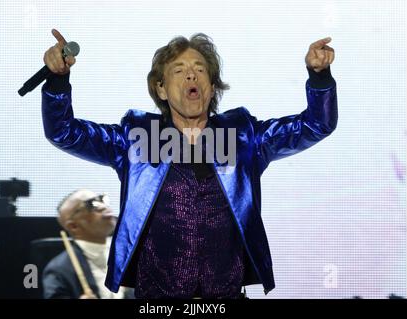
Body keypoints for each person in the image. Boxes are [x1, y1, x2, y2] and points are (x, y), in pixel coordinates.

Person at [41, 29, 337, 298]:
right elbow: (63, 132)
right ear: (161, 89)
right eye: (179, 71)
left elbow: (315, 125)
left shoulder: (245, 136)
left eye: (200, 70)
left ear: (212, 86)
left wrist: (319, 75)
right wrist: (57, 80)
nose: (191, 76)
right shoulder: (136, 137)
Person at [42, 189, 134, 299]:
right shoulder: (58, 270)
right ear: (73, 226)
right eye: (92, 204)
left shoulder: (131, 253)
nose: (104, 206)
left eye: (102, 200)